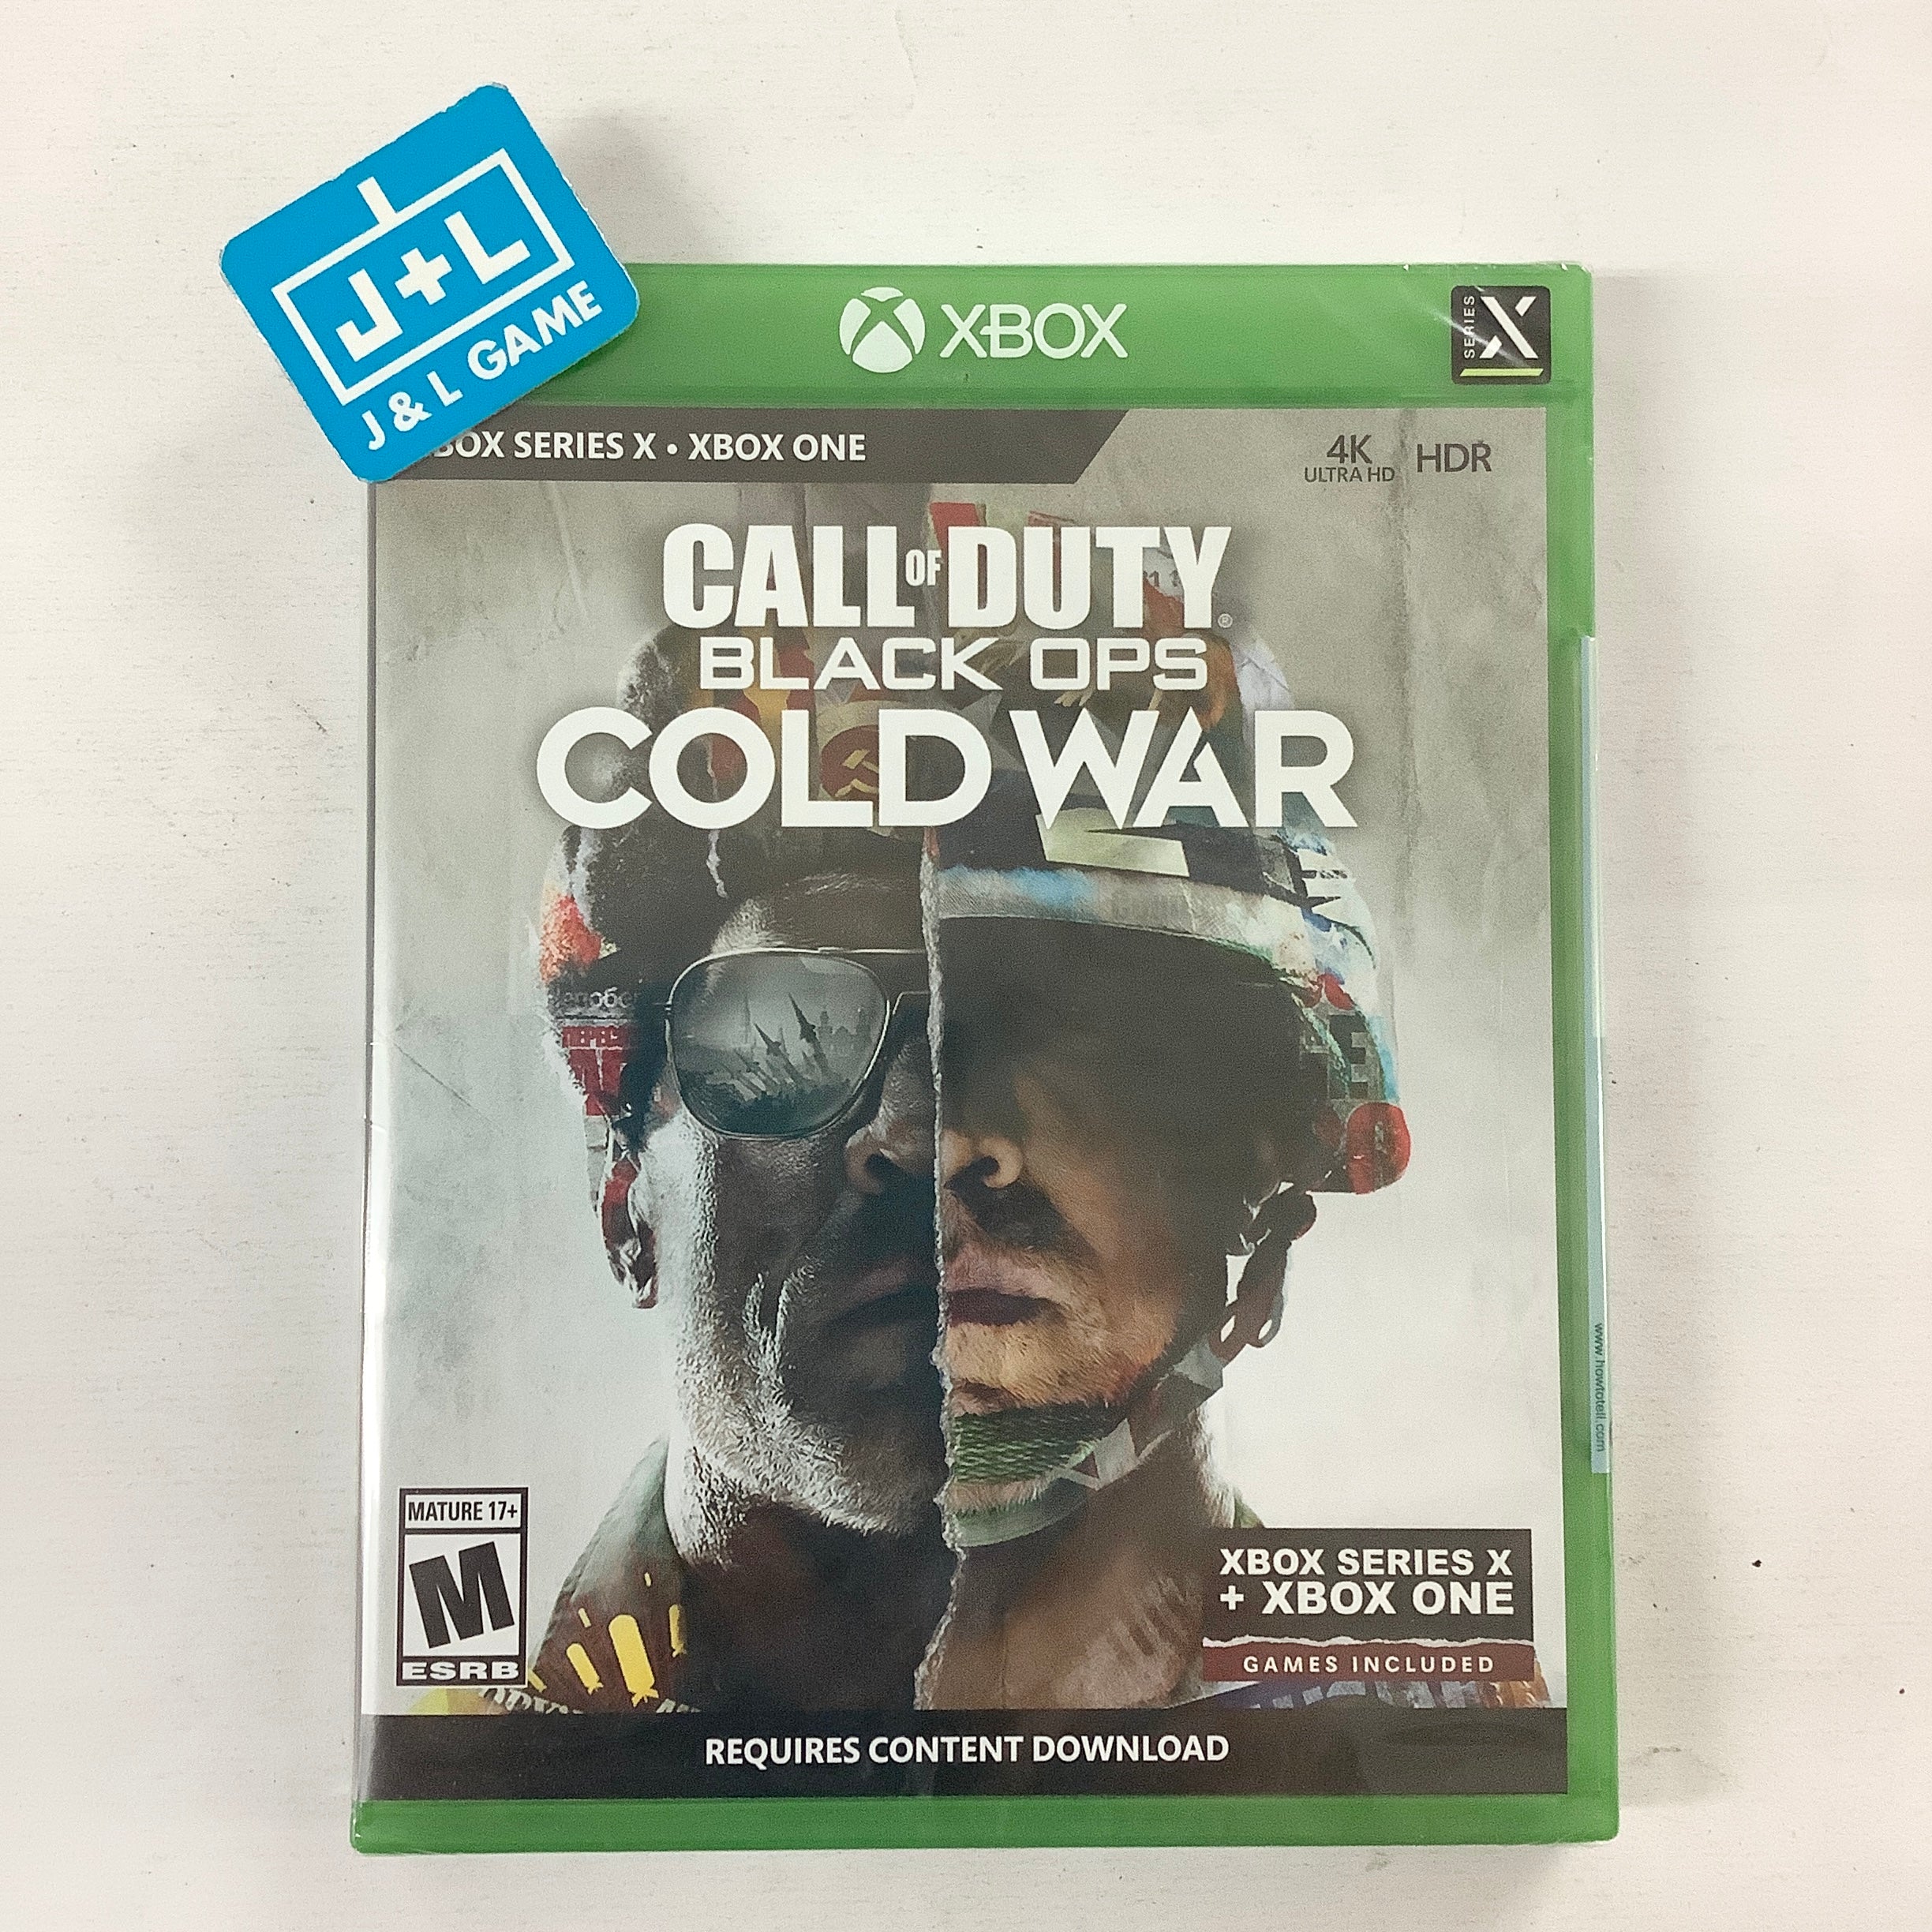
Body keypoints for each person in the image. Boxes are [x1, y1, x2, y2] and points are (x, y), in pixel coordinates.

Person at [525, 601, 957, 1713]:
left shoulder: (1329, 1737)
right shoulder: (465, 1760)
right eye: (781, 1036)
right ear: (627, 1209)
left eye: (1002, 1046)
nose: (915, 1133)